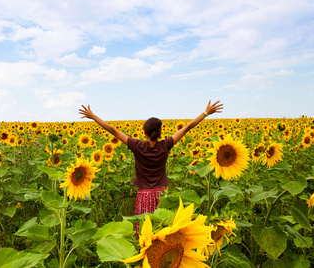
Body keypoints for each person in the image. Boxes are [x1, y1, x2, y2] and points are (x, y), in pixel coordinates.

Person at [78, 100, 223, 233]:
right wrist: (205, 113)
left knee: (145, 231)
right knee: (163, 229)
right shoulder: (166, 145)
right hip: (162, 194)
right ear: (160, 133)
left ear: (144, 132)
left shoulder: (137, 146)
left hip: (144, 195)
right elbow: (186, 128)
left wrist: (93, 116)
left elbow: (113, 131)